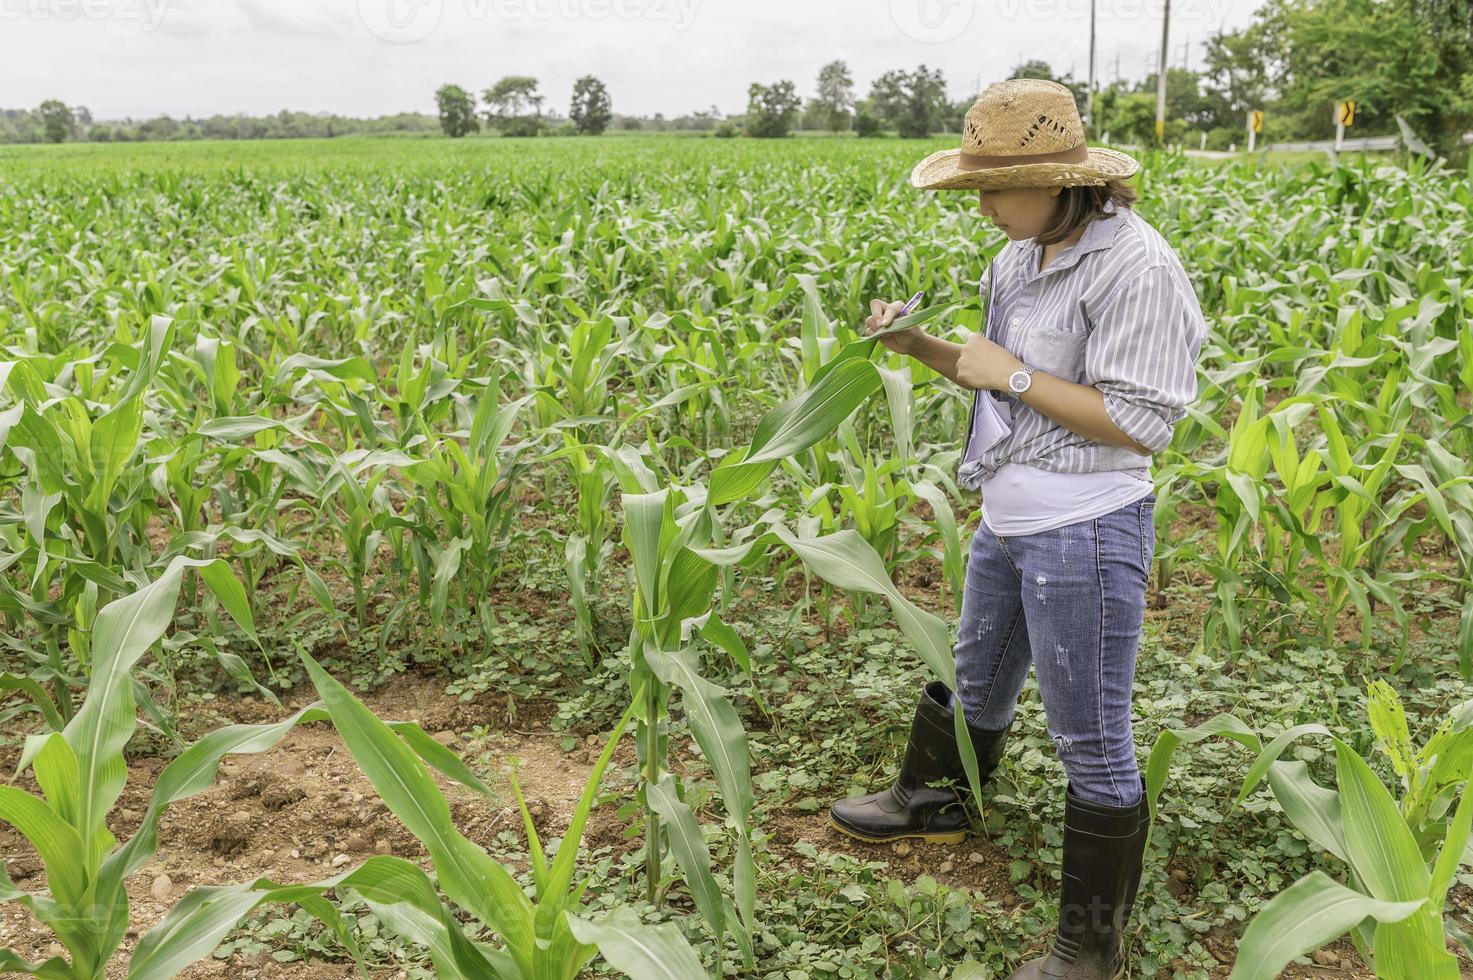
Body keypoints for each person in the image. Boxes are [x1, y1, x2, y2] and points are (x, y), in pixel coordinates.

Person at [827, 78, 1207, 980]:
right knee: (974, 671)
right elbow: (991, 367)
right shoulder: (1020, 257)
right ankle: (935, 797)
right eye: (978, 191)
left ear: (1065, 181)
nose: (987, 207)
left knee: (1091, 736)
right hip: (1009, 510)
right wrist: (919, 346)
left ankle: (1088, 947)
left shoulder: (1136, 268)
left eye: (1001, 189)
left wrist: (1016, 379)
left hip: (1086, 525)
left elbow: (1142, 421)